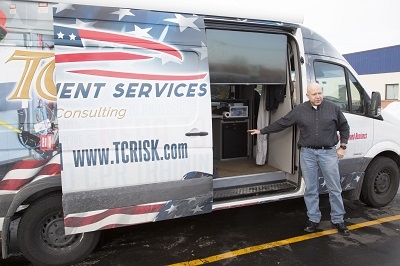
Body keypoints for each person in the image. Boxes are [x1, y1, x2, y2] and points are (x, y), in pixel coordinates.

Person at [248, 82, 350, 236]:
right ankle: (313, 219)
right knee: (311, 188)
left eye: (319, 93)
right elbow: (283, 122)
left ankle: (338, 220)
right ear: (307, 95)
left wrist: (343, 146)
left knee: (334, 188)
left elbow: (344, 127)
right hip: (307, 154)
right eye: (314, 94)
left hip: (328, 153)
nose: (318, 96)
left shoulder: (333, 108)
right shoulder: (300, 110)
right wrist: (262, 131)